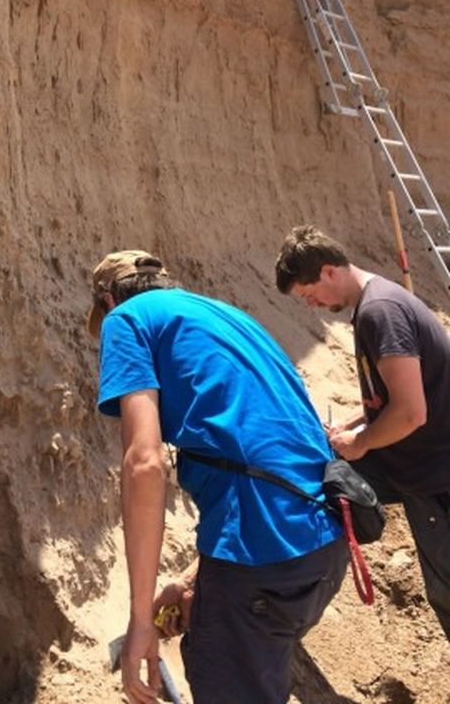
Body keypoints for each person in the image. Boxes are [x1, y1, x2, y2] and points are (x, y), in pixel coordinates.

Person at [87, 249, 347, 704]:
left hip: (262, 561)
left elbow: (145, 463)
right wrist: (194, 582)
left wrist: (140, 623)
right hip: (322, 550)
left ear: (110, 298)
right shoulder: (230, 318)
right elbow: (272, 450)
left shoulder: (125, 320)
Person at [275, 224, 450, 640]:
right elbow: (394, 397)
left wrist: (362, 441)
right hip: (418, 465)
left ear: (329, 270)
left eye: (308, 293)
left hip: (434, 478)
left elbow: (409, 413)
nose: (312, 304)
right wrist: (355, 423)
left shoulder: (380, 312)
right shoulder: (378, 302)